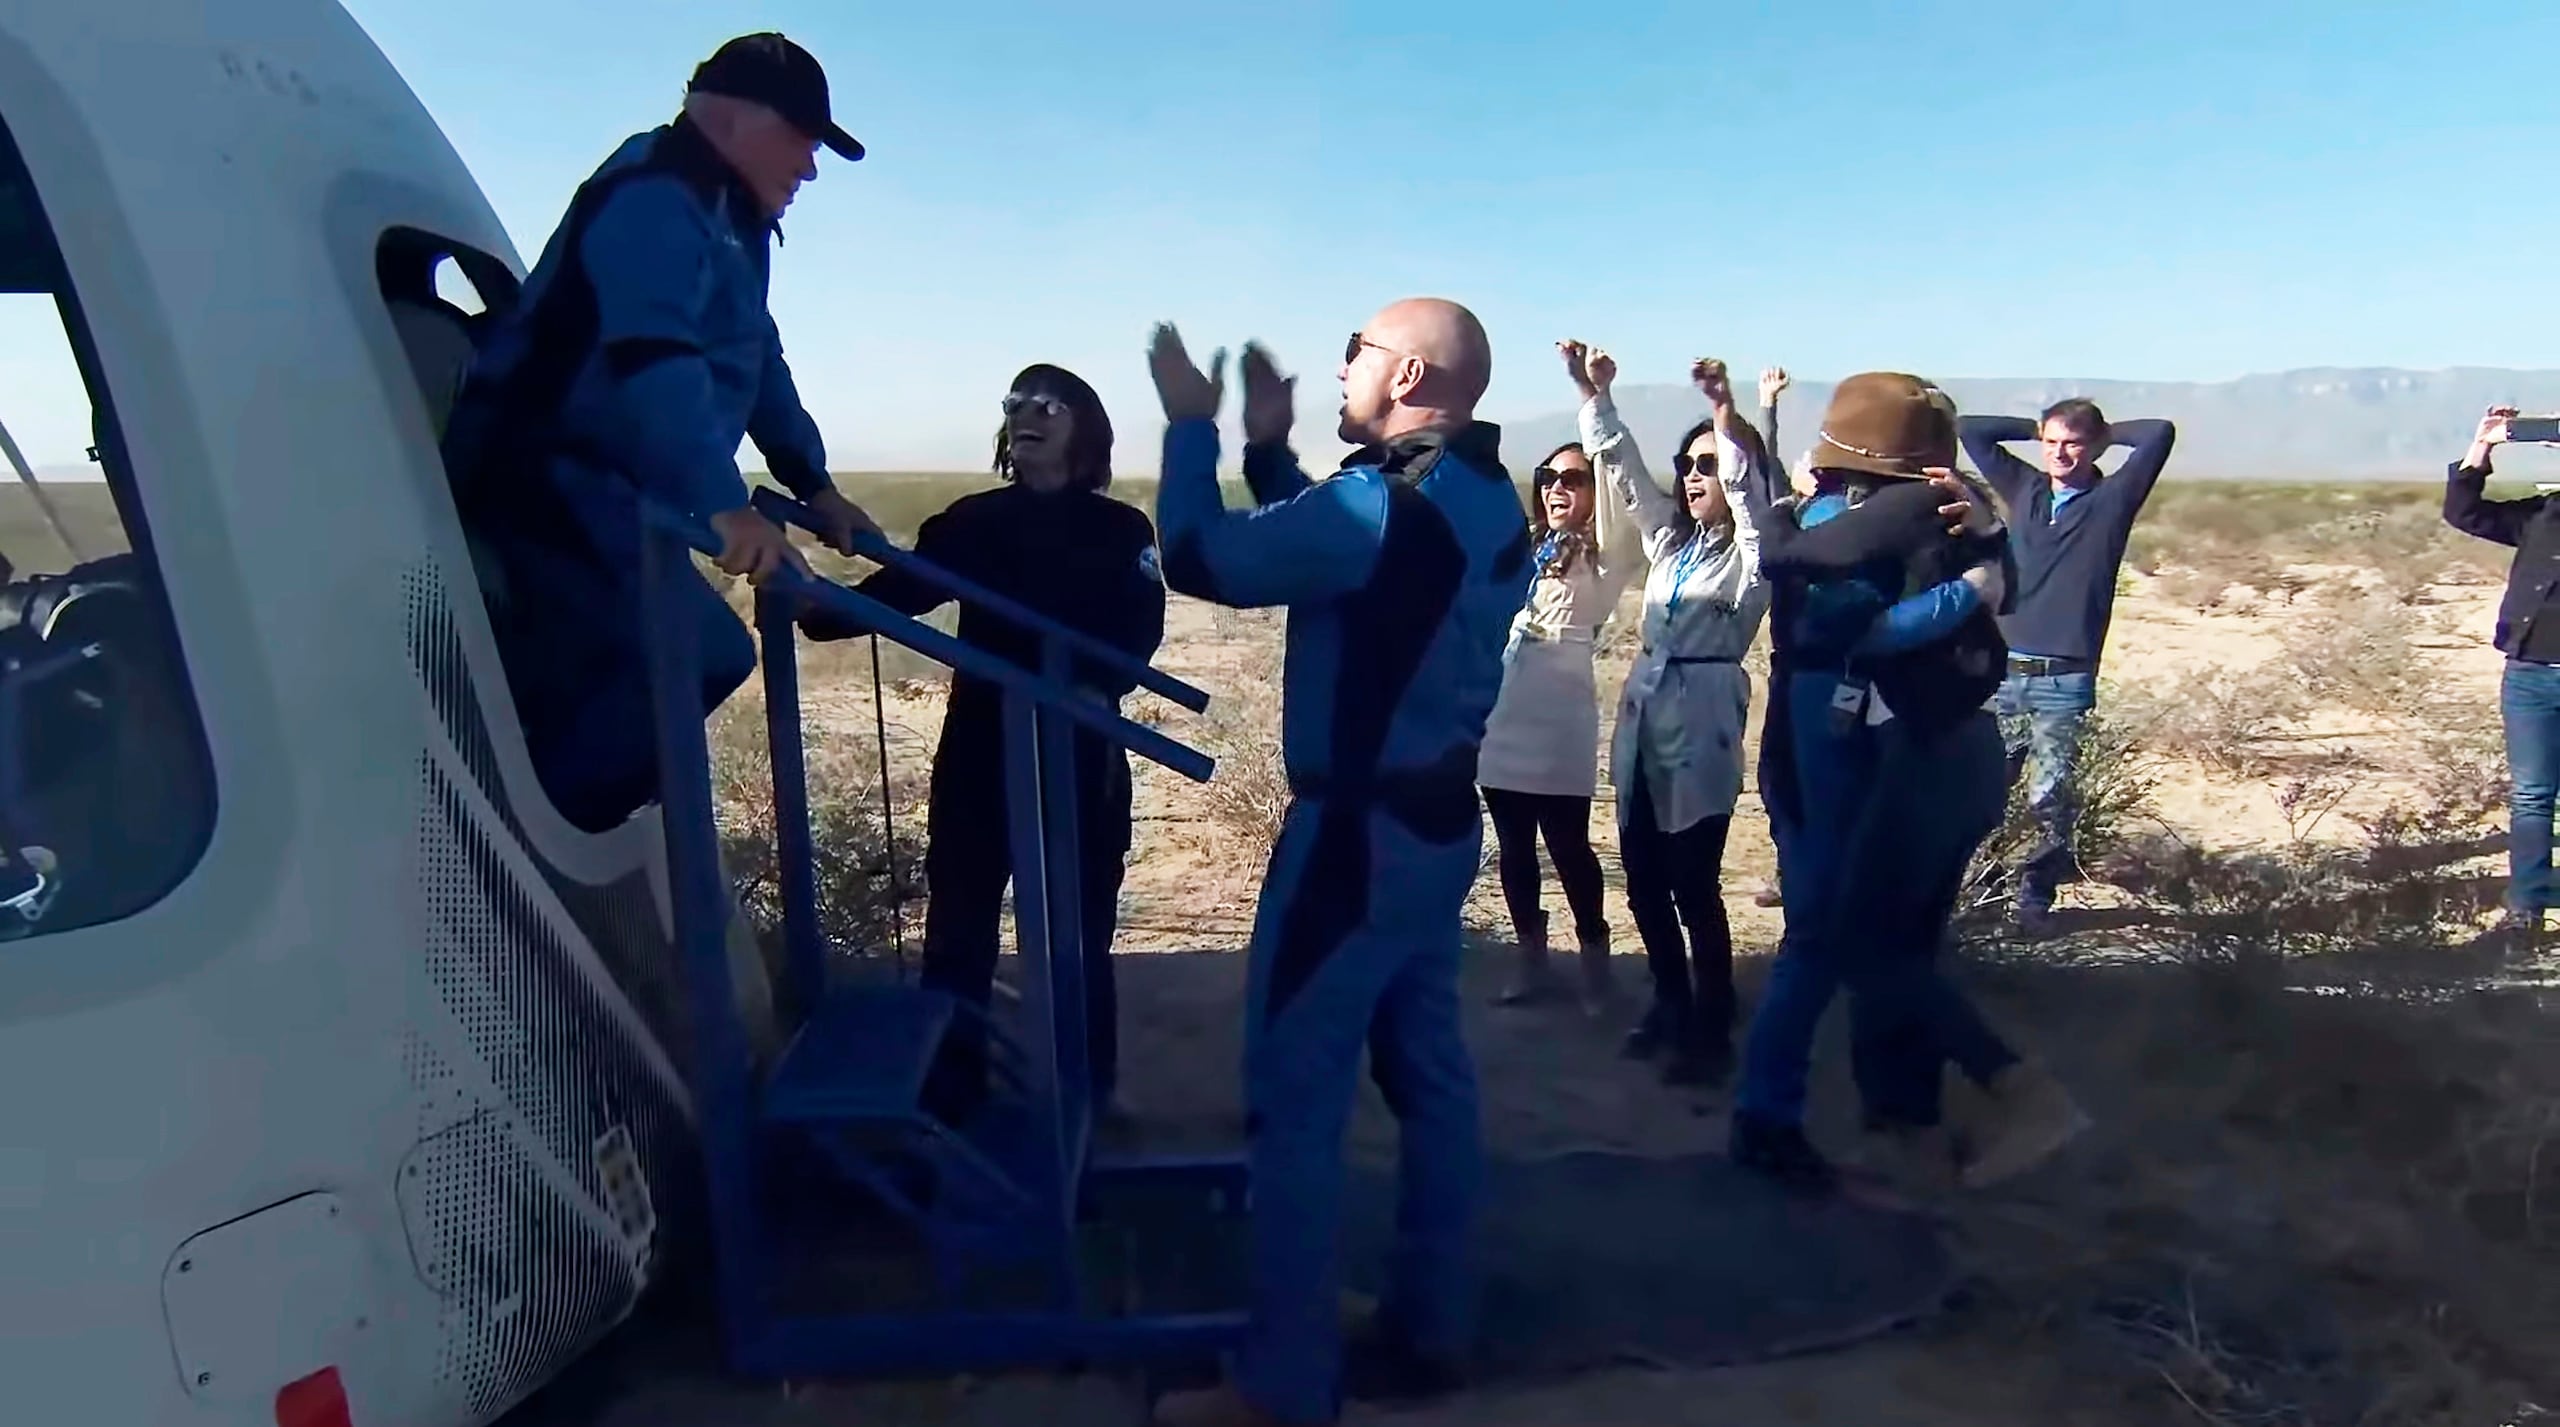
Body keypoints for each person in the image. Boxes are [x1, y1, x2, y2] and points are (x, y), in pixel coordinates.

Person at [438, 32, 879, 1053]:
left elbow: (751, 357)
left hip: (619, 482)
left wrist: (812, 481)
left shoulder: (736, 222)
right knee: (704, 652)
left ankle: (559, 831)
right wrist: (725, 505)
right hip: (544, 472)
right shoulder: (652, 198)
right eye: (802, 141)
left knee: (663, 664)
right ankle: (512, 862)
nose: (810, 167)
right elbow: (655, 364)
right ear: (727, 118)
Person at [1144, 301, 1528, 1427]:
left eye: (1355, 349)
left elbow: (1199, 556)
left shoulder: (1389, 504)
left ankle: (1281, 1387)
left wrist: (1190, 430)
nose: (1343, 363)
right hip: (1433, 826)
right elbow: (1347, 547)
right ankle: (1432, 1322)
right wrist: (1272, 451)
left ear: (1405, 370)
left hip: (1352, 842)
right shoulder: (1474, 489)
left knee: (1292, 1103)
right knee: (1430, 1079)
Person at [1734, 373, 2085, 1191]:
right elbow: (1948, 607)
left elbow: (1847, 627)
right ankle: (1878, 1117)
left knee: (1843, 934)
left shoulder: (1847, 524)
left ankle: (1969, 1096)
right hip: (1914, 751)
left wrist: (1967, 587)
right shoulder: (1938, 520)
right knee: (1867, 936)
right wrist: (1977, 579)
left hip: (1852, 747)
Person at [797, 365, 1164, 1125]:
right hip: (981, 749)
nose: (1024, 414)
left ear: (1083, 425)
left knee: (1081, 929)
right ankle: (948, 1096)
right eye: (1014, 403)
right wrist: (817, 607)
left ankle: (1088, 1091)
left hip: (1081, 752)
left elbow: (1138, 636)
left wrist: (1083, 676)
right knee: (959, 925)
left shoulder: (1124, 530)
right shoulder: (971, 521)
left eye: (1046, 403)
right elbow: (903, 592)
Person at [1568, 346, 1770, 1087]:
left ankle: (1712, 1024)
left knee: (1695, 882)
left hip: (1704, 716)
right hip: (1646, 717)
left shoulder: (1752, 557)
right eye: (1688, 463)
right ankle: (1669, 1000)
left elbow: (1752, 503)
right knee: (1646, 879)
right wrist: (1595, 396)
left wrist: (1727, 416)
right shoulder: (1670, 545)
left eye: (1707, 465)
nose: (1692, 476)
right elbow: (1624, 474)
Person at [1958, 400, 2178, 936]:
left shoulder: (2112, 500)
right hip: (2005, 668)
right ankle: (1981, 889)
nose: (2059, 452)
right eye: (2051, 442)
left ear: (2095, 447)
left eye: (2072, 443)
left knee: (2049, 794)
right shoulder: (2025, 488)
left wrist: (2099, 434)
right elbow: (1972, 429)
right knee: (1985, 787)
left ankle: (2033, 897)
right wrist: (2035, 430)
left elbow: (2158, 432)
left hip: (2065, 673)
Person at [1474, 411, 1643, 1013]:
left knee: (1569, 845)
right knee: (1514, 844)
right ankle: (1532, 963)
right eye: (1548, 477)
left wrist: (1594, 399)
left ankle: (1596, 965)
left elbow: (1622, 498)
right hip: (1506, 711)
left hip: (1561, 715)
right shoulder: (1526, 550)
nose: (1555, 488)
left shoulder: (1608, 557)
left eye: (1571, 479)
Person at [2443, 405, 2560, 944]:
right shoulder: (2542, 514)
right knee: (2533, 795)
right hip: (2530, 674)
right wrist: (2483, 446)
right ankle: (2528, 909)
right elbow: (2464, 513)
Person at [1749, 365, 1791, 911]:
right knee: (1776, 777)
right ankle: (1789, 870)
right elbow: (1761, 469)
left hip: (1846, 668)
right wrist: (1768, 408)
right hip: (1789, 664)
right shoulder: (1791, 510)